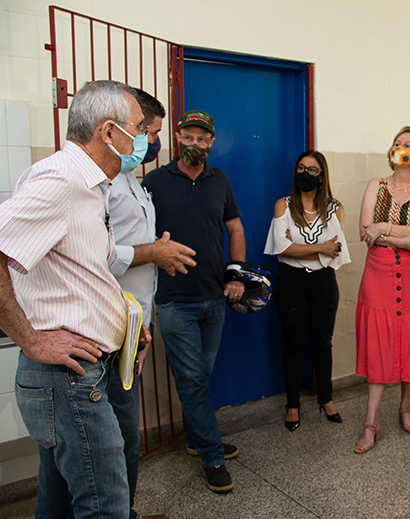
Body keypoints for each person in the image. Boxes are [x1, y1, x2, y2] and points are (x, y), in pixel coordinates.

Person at [0, 80, 151, 517]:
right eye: (139, 129)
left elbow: (81, 275)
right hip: (65, 377)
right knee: (104, 504)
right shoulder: (61, 179)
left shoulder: (93, 187)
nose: (145, 140)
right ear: (109, 132)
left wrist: (125, 326)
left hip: (90, 368)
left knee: (60, 501)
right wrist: (32, 340)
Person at [141, 110, 246, 494]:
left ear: (211, 143)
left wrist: (234, 274)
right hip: (173, 302)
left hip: (213, 299)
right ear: (177, 137)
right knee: (192, 380)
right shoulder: (153, 182)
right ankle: (212, 455)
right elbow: (137, 238)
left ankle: (195, 437)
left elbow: (235, 227)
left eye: (203, 139)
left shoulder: (221, 181)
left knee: (198, 378)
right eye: (188, 137)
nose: (195, 144)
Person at [106, 88, 195, 519]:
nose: (150, 142)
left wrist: (155, 249)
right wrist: (151, 253)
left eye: (152, 132)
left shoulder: (132, 182)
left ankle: (127, 511)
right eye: (146, 131)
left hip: (132, 327)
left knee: (123, 435)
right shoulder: (98, 185)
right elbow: (93, 253)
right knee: (115, 439)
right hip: (106, 326)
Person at [354, 126, 410, 454]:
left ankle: (405, 406)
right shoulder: (375, 186)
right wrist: (402, 239)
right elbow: (365, 230)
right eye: (396, 143)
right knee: (379, 339)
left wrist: (385, 229)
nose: (399, 148)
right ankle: (371, 420)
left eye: (407, 145)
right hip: (378, 271)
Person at [264, 150, 351, 431]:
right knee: (293, 343)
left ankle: (325, 398)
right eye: (301, 168)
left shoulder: (335, 208)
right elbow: (282, 248)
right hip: (291, 282)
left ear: (322, 175)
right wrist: (319, 248)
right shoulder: (283, 206)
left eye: (312, 170)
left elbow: (335, 251)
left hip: (324, 283)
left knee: (322, 343)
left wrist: (307, 250)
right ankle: (292, 404)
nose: (305, 174)